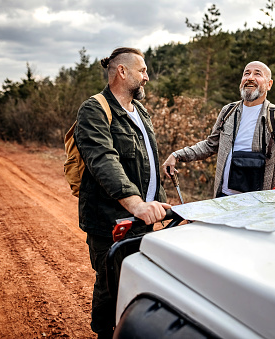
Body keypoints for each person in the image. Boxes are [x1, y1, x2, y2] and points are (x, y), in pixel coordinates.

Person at [74, 47, 170, 337]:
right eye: (142, 71)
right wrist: (136, 204)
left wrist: (163, 208)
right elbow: (103, 159)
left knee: (140, 284)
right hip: (111, 221)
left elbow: (149, 162)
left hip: (143, 218)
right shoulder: (94, 109)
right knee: (110, 286)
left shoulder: (140, 110)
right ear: (122, 71)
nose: (147, 77)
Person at [163, 61, 275, 197]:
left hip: (261, 202)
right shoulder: (228, 111)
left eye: (257, 74)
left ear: (269, 84)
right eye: (246, 73)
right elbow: (210, 145)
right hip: (224, 197)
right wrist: (177, 155)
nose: (250, 77)